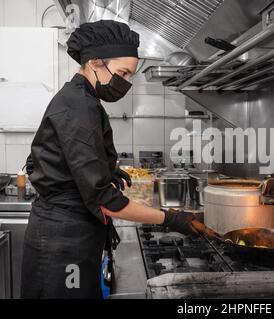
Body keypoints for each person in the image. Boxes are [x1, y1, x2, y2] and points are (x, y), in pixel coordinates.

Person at [21, 20, 201, 299]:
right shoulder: (77, 107)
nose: (125, 82)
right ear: (94, 62)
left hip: (74, 233)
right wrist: (170, 218)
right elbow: (104, 200)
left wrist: (106, 170)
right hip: (63, 242)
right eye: (122, 73)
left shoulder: (85, 100)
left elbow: (74, 161)